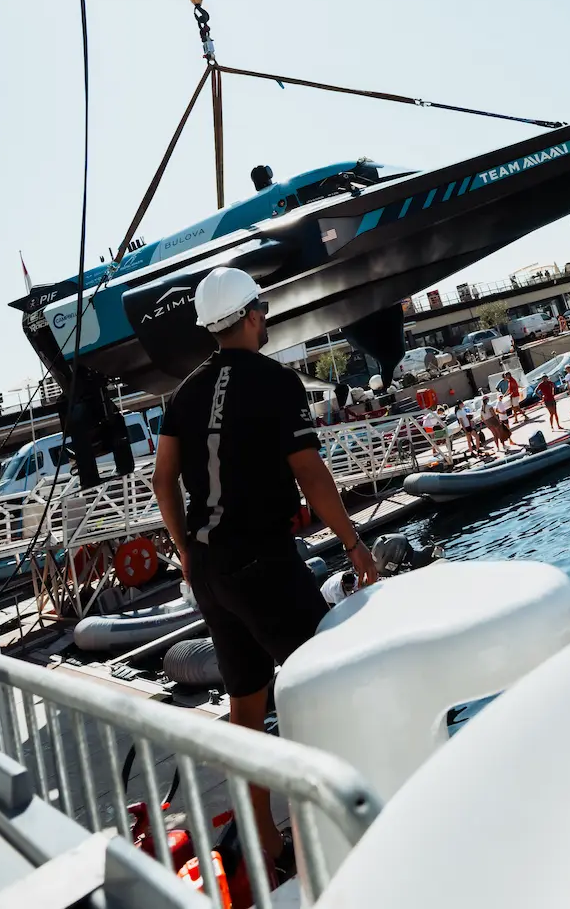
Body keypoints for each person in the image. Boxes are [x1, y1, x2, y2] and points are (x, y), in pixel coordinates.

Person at [153, 266, 378, 881]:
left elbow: (163, 480)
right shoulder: (277, 380)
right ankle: (344, 831)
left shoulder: (183, 394)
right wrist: (354, 544)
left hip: (212, 571)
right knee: (327, 688)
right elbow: (310, 472)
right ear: (252, 315)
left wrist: (186, 551)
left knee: (247, 711)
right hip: (263, 561)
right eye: (263, 309)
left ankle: (266, 846)